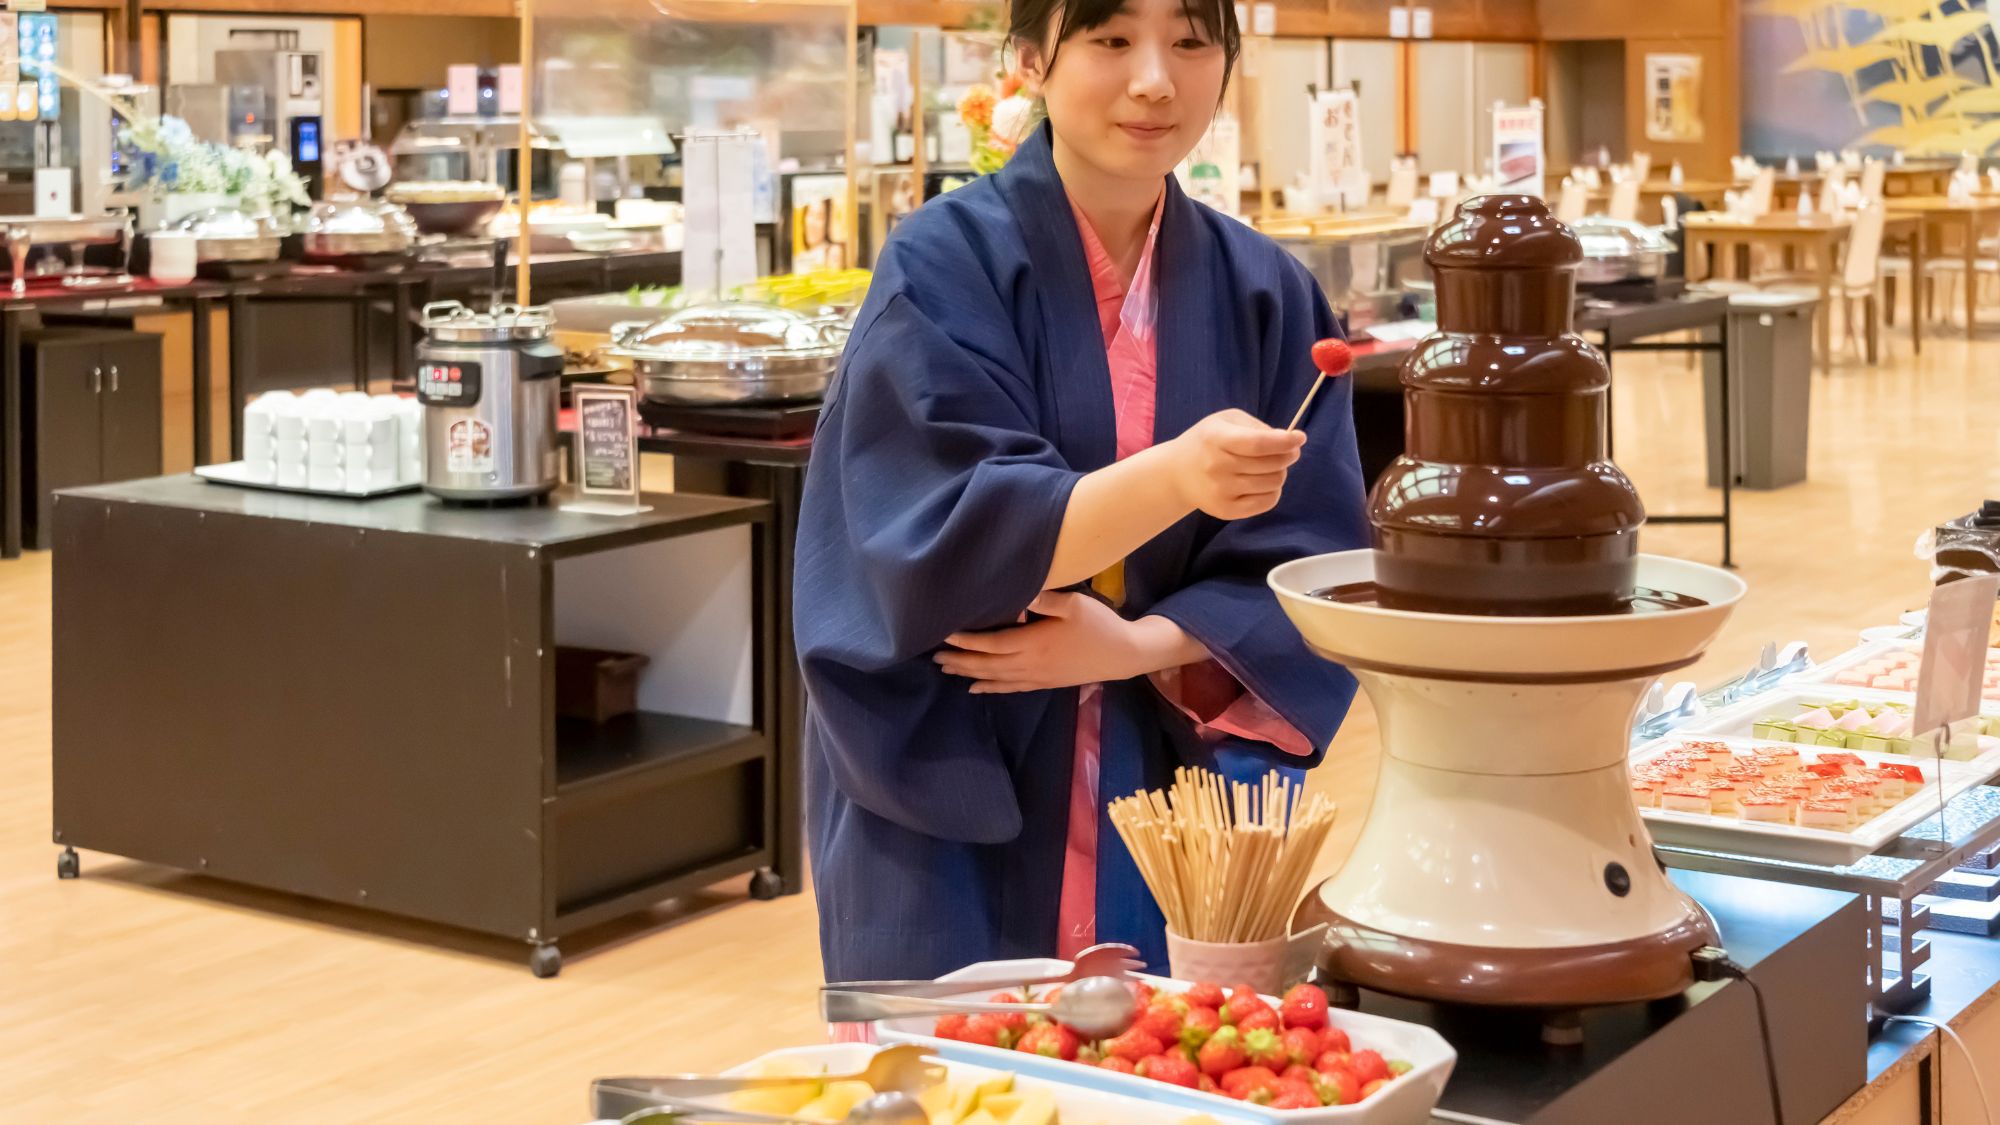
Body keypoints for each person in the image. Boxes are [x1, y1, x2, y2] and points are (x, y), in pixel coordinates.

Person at [795, 0, 1369, 982]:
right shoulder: (940, 262)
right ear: (1029, 61)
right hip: (959, 748)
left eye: (1190, 43)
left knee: (1163, 1062)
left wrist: (1138, 645)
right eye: (1110, 41)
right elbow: (951, 526)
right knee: (959, 1076)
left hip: (1165, 777)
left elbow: (1308, 559)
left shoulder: (1263, 288)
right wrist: (1180, 474)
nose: (1155, 79)